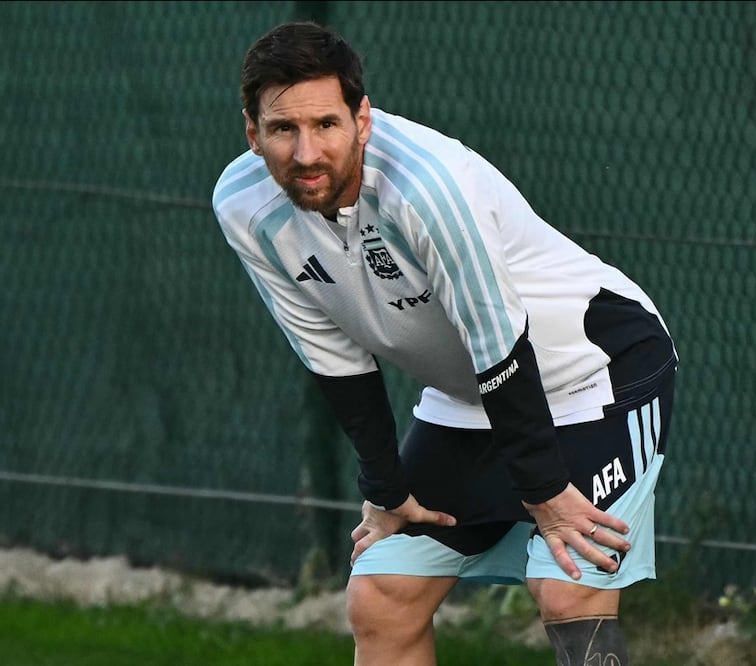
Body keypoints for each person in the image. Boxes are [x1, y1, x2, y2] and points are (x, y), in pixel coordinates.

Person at [212, 21, 677, 666]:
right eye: (283, 130)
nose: (306, 153)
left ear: (363, 120)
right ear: (252, 133)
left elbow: (498, 345)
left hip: (595, 371)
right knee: (381, 594)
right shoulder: (244, 206)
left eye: (325, 124)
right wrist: (385, 486)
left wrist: (543, 491)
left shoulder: (428, 189)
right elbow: (334, 359)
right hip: (472, 395)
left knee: (567, 589)